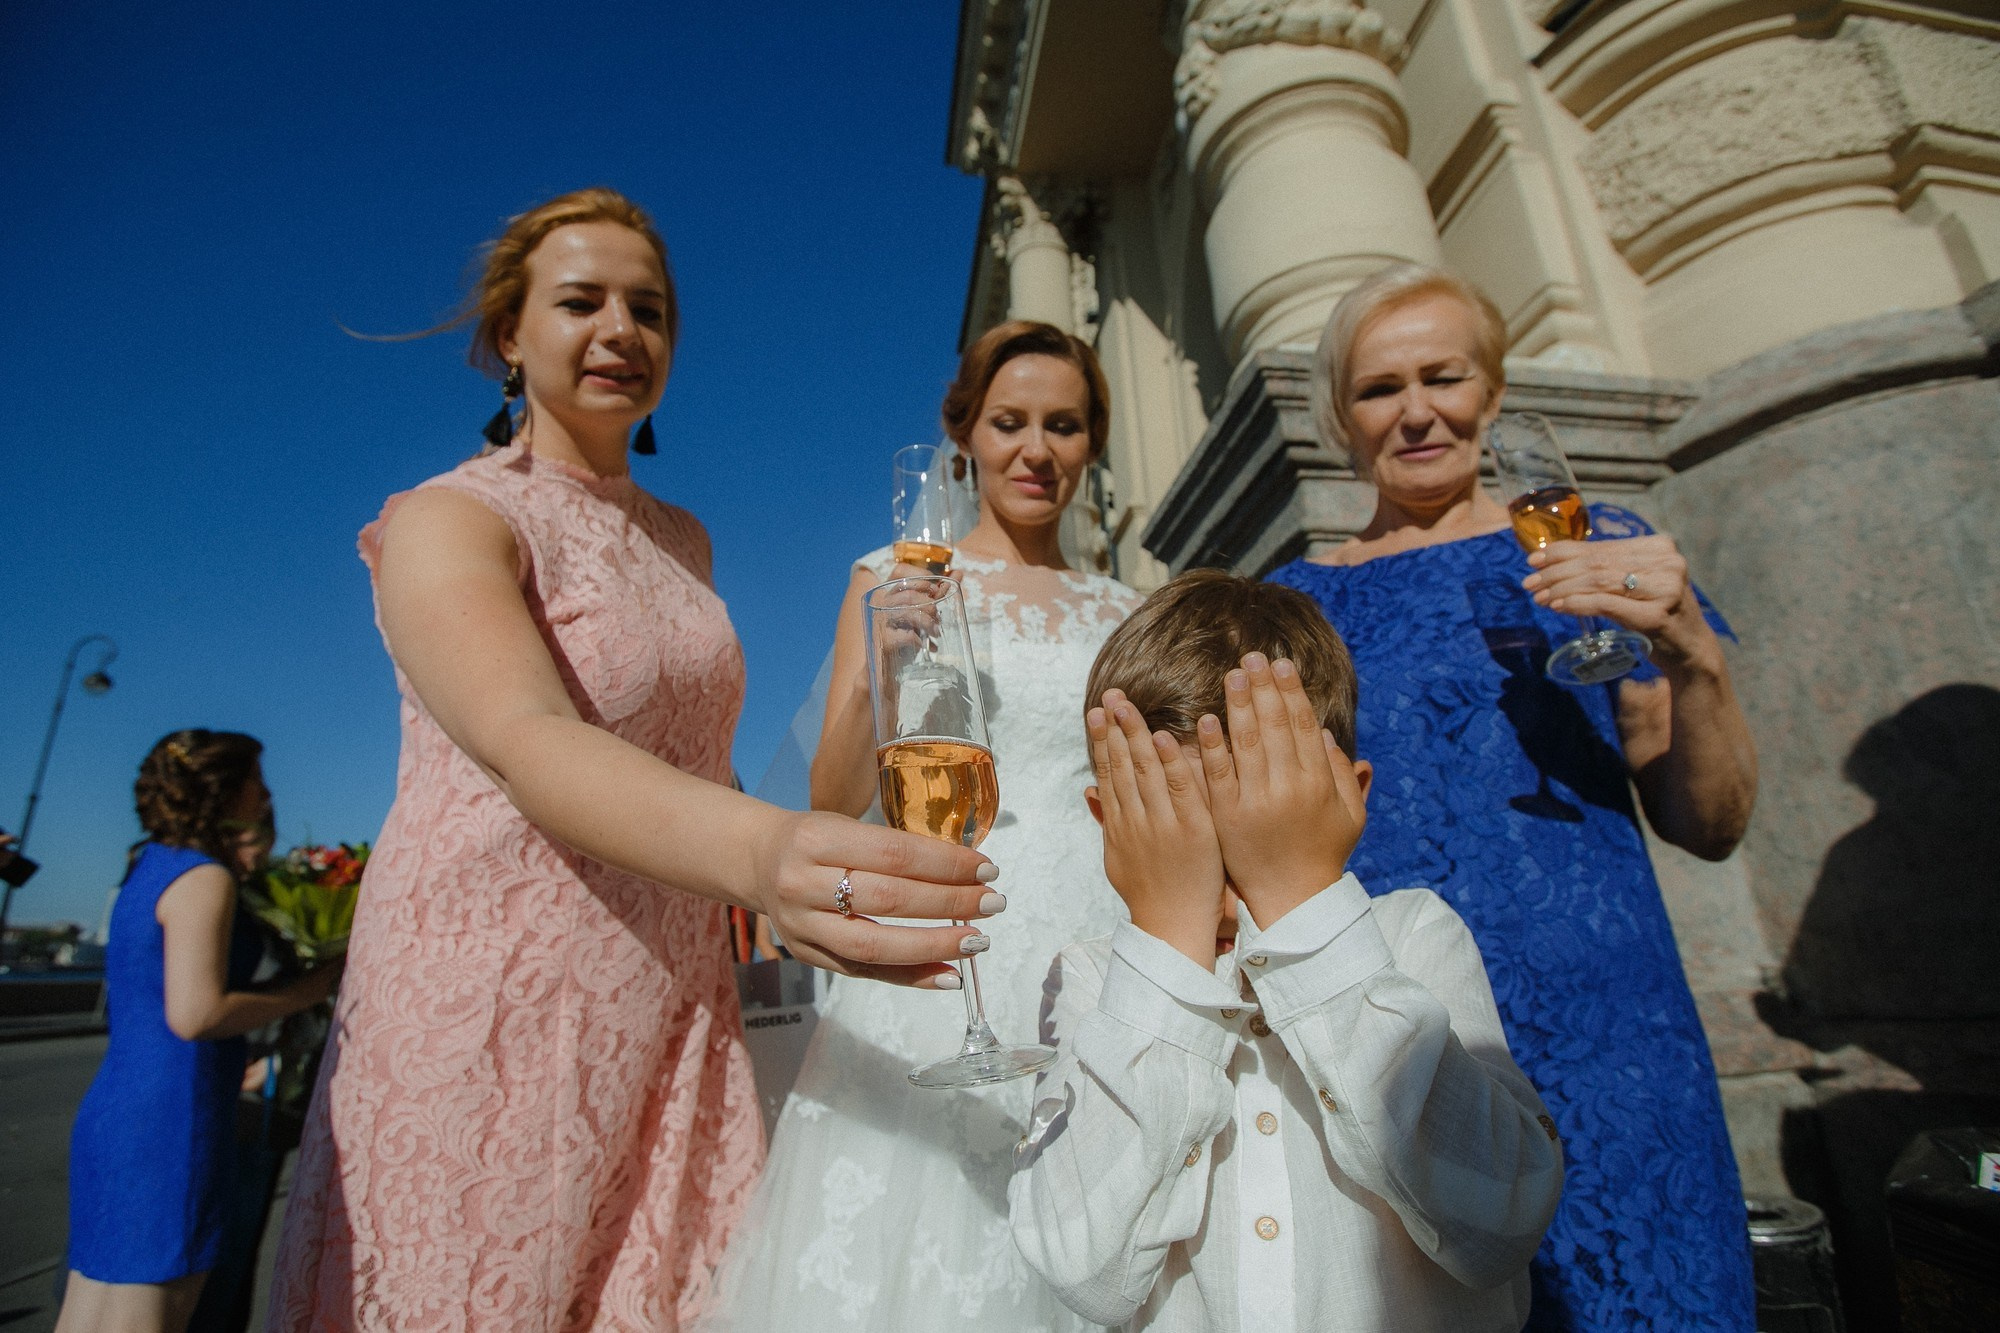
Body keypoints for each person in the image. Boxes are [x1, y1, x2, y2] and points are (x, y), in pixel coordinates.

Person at [267, 189, 1002, 1332]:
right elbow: (527, 738)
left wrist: (780, 895)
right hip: (498, 985)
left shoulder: (683, 539)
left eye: (648, 309)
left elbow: (696, 769)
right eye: (581, 302)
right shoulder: (446, 518)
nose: (621, 330)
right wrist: (767, 855)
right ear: (509, 335)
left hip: (671, 991)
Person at [1265, 263, 1760, 1329]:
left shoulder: (1602, 543)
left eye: (1441, 375)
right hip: (1407, 1030)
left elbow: (1708, 824)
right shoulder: (1298, 601)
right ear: (1338, 419)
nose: (1414, 411)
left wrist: (1692, 662)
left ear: (1490, 390)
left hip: (1610, 1025)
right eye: (1376, 388)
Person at [705, 321, 1140, 1329]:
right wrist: (887, 661)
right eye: (1010, 422)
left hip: (1097, 927)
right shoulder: (895, 577)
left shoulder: (1127, 609)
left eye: (1063, 425)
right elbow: (829, 796)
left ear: (1090, 443)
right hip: (948, 925)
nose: (1036, 448)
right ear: (966, 439)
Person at [1009, 572, 1564, 1331]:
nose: (1222, 873)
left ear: (1348, 799)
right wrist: (1171, 940)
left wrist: (1303, 901)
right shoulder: (1092, 981)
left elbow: (1502, 1219)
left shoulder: (1412, 936)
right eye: (1182, 829)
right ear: (1112, 819)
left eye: (1257, 829)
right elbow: (1081, 1264)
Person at [57, 731, 339, 1333]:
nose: (265, 796)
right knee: (151, 1313)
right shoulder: (205, 877)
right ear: (229, 791)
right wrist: (310, 990)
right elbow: (195, 1013)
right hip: (173, 1118)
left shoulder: (151, 864)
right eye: (257, 782)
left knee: (92, 1309)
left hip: (119, 1108)